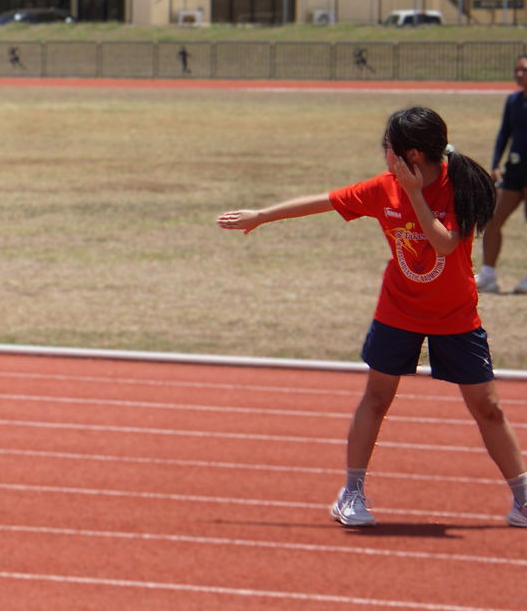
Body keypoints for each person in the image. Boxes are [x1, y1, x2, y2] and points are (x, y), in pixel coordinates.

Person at [216, 106, 527, 528]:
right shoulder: (383, 188)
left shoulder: (458, 187)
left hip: (456, 316)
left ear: (411, 155)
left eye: (389, 149)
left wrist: (415, 194)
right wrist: (260, 217)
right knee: (377, 399)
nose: (385, 156)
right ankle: (352, 493)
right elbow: (325, 201)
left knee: (487, 407)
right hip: (398, 311)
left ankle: (522, 499)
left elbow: (444, 245)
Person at [477, 55, 527, 294]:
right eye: (517, 70)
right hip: (514, 171)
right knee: (493, 219)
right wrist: (496, 163)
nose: (519, 75)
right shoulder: (514, 101)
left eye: (524, 70)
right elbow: (503, 134)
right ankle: (488, 275)